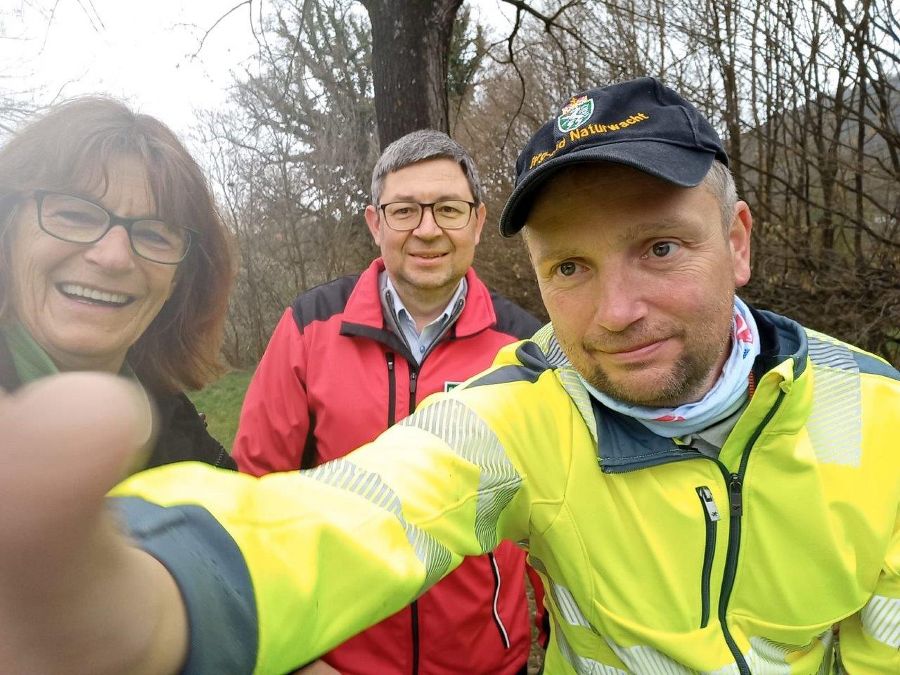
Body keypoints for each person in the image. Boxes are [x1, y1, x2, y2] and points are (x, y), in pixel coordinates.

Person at [2, 77, 898, 675]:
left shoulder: (880, 415)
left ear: (737, 241)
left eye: (660, 247)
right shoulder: (525, 401)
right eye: (571, 269)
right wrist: (175, 593)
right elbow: (356, 502)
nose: (617, 310)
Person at [232, 130, 542, 674]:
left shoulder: (524, 350)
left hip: (486, 663)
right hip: (337, 661)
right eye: (404, 211)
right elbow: (253, 498)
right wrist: (288, 653)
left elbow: (556, 518)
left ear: (476, 221)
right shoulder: (310, 327)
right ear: (376, 223)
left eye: (448, 209)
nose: (426, 230)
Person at [0, 97, 236, 471]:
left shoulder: (188, 443)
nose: (113, 258)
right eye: (75, 215)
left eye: (156, 236)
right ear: (9, 231)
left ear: (177, 281)